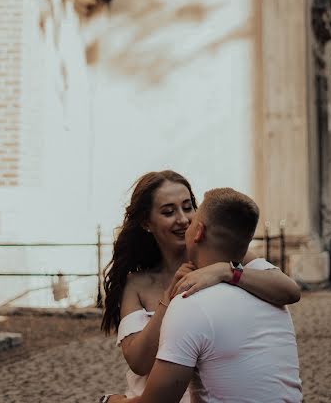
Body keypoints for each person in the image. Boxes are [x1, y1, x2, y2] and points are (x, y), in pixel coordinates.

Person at [101, 171, 300, 401]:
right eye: (168, 211)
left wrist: (226, 271)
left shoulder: (229, 257)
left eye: (188, 207)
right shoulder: (137, 283)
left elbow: (289, 290)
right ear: (147, 222)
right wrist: (169, 299)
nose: (183, 219)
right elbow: (139, 362)